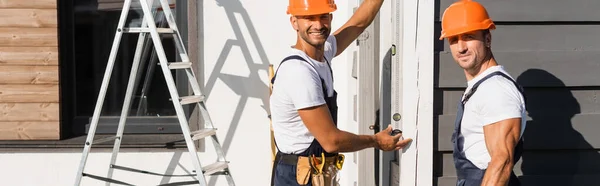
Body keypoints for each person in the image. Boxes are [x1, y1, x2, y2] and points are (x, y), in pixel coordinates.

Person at [269, 0, 412, 185]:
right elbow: (331, 141)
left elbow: (358, 23)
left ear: (331, 17)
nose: (318, 25)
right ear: (294, 22)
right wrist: (375, 141)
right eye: (309, 18)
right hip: (296, 177)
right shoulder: (299, 72)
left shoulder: (322, 53)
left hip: (314, 172)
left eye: (323, 17)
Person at [439, 0, 527, 186]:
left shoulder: (496, 89)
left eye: (469, 37)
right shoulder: (480, 86)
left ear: (487, 39)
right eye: (454, 40)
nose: (461, 47)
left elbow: (502, 162)